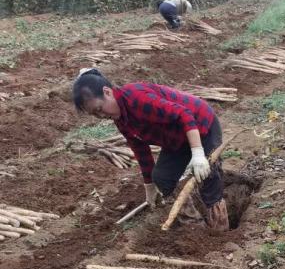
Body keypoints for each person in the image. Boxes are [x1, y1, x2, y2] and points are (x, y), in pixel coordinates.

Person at [71, 68, 229, 231]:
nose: (101, 116)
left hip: (201, 125)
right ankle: (195, 228)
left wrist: (197, 153)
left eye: (99, 109)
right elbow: (141, 151)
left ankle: (221, 230)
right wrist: (150, 185)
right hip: (175, 138)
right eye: (95, 115)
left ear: (107, 92)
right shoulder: (121, 119)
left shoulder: (137, 99)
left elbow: (185, 114)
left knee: (208, 175)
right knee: (162, 177)